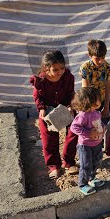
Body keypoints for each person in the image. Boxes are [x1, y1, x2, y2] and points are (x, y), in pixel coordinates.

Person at [29, 50, 79, 179]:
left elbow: (70, 94)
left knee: (73, 131)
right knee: (48, 137)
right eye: (56, 70)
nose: (60, 72)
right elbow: (37, 96)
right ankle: (53, 166)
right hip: (48, 109)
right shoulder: (40, 80)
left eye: (62, 68)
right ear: (46, 68)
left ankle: (68, 162)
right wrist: (41, 108)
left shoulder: (68, 77)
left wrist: (69, 106)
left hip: (65, 106)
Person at [70, 87, 106, 195]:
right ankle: (82, 184)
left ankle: (91, 178)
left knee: (96, 161)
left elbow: (99, 123)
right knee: (86, 164)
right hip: (85, 145)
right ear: (89, 101)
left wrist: (103, 127)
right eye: (97, 99)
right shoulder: (83, 115)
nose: (100, 101)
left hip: (97, 143)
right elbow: (74, 127)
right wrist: (88, 133)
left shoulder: (96, 112)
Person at [79, 39, 110, 126]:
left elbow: (107, 89)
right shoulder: (85, 68)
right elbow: (86, 90)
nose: (100, 61)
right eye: (97, 58)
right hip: (90, 100)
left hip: (103, 98)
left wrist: (106, 107)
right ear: (89, 55)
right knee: (88, 123)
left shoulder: (108, 68)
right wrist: (91, 108)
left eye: (103, 58)